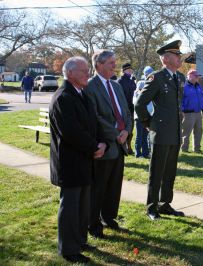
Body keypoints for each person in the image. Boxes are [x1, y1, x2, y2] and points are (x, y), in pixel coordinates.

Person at [49, 57, 107, 263]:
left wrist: (102, 143)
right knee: (71, 207)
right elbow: (71, 132)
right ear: (70, 73)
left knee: (83, 206)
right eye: (83, 71)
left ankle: (80, 240)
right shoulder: (63, 97)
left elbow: (94, 122)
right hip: (71, 163)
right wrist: (94, 147)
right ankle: (68, 249)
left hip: (86, 160)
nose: (88, 74)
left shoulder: (82, 95)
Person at [134, 40, 186, 220]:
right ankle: (151, 207)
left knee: (170, 172)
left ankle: (165, 204)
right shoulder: (157, 77)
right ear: (166, 58)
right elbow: (140, 104)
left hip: (175, 132)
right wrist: (148, 123)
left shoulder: (179, 77)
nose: (180, 58)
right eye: (177, 55)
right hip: (161, 131)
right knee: (156, 172)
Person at [84, 50, 132, 237]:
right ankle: (93, 224)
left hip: (120, 145)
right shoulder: (90, 86)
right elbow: (94, 116)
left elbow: (126, 112)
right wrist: (115, 134)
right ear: (99, 65)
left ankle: (109, 218)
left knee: (114, 185)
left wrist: (126, 131)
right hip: (104, 145)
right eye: (111, 62)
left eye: (115, 61)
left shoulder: (116, 85)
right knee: (99, 187)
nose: (115, 65)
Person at [181, 69, 203, 152]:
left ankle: (197, 149)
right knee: (186, 133)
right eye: (195, 76)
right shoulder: (184, 86)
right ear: (189, 76)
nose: (197, 78)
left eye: (197, 76)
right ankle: (184, 149)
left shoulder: (198, 86)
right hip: (188, 113)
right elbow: (180, 100)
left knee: (199, 131)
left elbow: (202, 98)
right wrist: (182, 111)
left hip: (198, 113)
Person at [133, 66, 154, 158]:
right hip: (139, 116)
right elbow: (137, 101)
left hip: (148, 115)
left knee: (146, 135)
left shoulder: (152, 83)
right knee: (139, 136)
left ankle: (145, 153)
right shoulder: (141, 83)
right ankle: (138, 153)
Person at [117, 63, 136, 154]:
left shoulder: (132, 81)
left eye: (131, 70)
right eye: (128, 70)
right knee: (122, 129)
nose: (130, 71)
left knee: (130, 129)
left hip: (131, 108)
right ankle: (122, 146)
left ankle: (129, 146)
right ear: (124, 70)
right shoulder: (119, 81)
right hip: (122, 109)